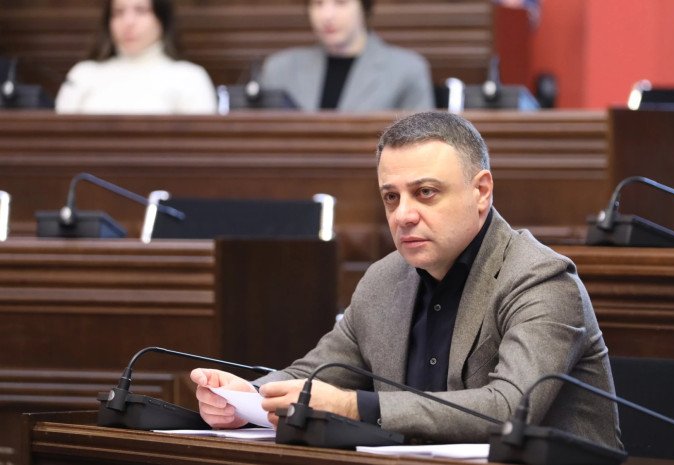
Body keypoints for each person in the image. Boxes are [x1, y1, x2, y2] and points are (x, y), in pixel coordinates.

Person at [191, 111, 622, 446]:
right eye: (391, 197)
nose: (403, 215)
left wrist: (354, 407)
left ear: (481, 191)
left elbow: (508, 408)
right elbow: (317, 373)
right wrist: (246, 397)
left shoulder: (540, 279)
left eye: (425, 193)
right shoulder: (383, 280)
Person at [259, 0, 434, 112]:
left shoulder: (407, 70)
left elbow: (422, 146)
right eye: (318, 3)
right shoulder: (279, 69)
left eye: (340, 3)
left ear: (363, 7)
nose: (327, 16)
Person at [55, 0, 217, 114]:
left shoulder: (190, 77)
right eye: (118, 12)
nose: (128, 22)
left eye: (141, 10)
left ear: (162, 19)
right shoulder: (82, 74)